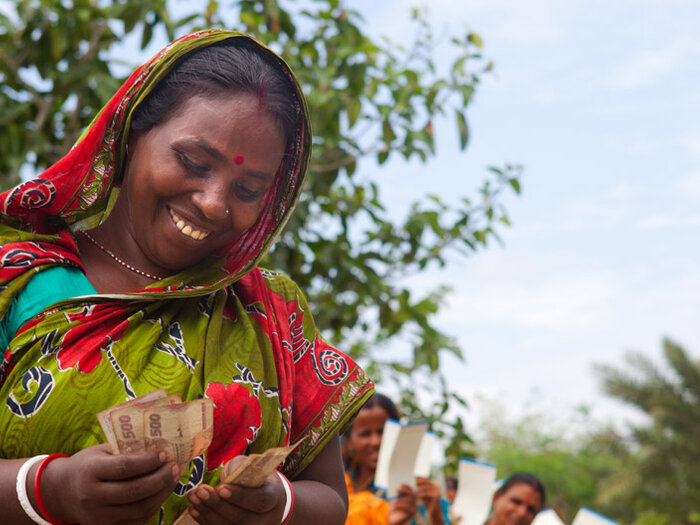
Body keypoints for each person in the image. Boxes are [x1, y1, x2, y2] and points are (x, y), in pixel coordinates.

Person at [0, 29, 374, 525]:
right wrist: (48, 490)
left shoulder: (269, 312)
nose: (214, 202)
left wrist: (275, 506)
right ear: (132, 132)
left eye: (248, 188)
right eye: (194, 162)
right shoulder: (19, 281)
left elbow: (329, 498)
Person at [342, 393, 450, 525]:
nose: (375, 441)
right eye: (365, 434)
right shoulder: (338, 488)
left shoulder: (419, 490)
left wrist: (436, 515)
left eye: (382, 431)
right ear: (349, 441)